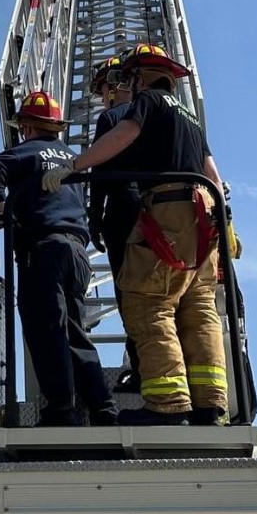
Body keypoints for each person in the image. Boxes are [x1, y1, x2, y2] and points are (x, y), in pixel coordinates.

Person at [42, 44, 228, 426]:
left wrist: (74, 165)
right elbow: (213, 173)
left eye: (131, 77)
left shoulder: (149, 102)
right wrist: (224, 223)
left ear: (142, 76)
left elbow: (124, 135)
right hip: (205, 215)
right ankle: (210, 405)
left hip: (167, 210)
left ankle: (167, 404)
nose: (127, 84)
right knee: (198, 310)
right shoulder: (189, 116)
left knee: (148, 302)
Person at [0, 91, 118, 427]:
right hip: (77, 252)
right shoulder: (73, 157)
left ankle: (61, 410)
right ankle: (103, 408)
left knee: (47, 332)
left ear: (27, 126)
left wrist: (5, 209)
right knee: (75, 330)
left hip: (41, 249)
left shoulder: (21, 152)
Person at [87, 52, 142, 393]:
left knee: (129, 294)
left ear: (116, 85)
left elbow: (100, 170)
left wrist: (95, 217)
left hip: (123, 210)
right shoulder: (161, 114)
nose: (104, 97)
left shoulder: (112, 119)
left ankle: (141, 371)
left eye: (104, 89)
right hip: (162, 212)